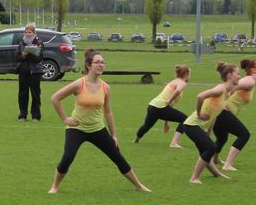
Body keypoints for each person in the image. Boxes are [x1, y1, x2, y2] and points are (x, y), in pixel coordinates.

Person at [48, 49, 150, 194]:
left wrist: (114, 135)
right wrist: (65, 119)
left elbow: (108, 112)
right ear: (89, 65)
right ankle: (55, 187)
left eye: (102, 62)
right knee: (68, 157)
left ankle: (139, 186)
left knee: (117, 156)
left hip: (97, 129)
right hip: (77, 129)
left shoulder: (105, 87)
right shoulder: (79, 84)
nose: (101, 65)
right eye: (97, 62)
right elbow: (55, 98)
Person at [182, 62, 241, 184]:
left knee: (206, 150)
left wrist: (208, 131)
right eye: (238, 73)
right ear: (229, 75)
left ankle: (217, 174)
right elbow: (200, 96)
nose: (240, 76)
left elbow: (215, 114)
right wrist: (199, 114)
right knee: (211, 147)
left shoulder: (226, 93)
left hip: (199, 126)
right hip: (192, 125)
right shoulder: (220, 89)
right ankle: (194, 178)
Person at [213, 58, 256, 171]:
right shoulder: (249, 81)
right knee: (244, 134)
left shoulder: (250, 82)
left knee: (222, 138)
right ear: (253, 70)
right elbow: (228, 87)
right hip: (223, 112)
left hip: (221, 112)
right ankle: (228, 165)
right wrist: (222, 101)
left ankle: (215, 159)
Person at [133, 64, 190, 147]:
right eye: (189, 73)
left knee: (147, 125)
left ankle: (136, 140)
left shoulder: (174, 81)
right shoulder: (182, 83)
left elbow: (170, 106)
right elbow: (177, 91)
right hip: (160, 107)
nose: (189, 76)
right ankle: (174, 143)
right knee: (185, 119)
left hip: (152, 106)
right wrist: (169, 100)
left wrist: (166, 123)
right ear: (185, 74)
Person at [16, 22, 44, 121]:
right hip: (23, 71)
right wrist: (22, 55)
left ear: (34, 33)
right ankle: (23, 115)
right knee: (22, 94)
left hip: (35, 72)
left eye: (30, 32)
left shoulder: (39, 43)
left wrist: (30, 54)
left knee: (35, 94)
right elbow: (17, 57)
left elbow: (39, 58)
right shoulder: (21, 43)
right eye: (26, 32)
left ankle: (36, 115)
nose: (28, 34)